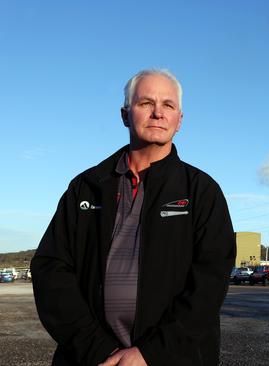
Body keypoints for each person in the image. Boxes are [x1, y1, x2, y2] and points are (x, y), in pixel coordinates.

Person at [31, 69, 236, 366]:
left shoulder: (201, 191)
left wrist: (149, 354)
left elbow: (209, 285)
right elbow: (51, 270)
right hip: (92, 359)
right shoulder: (86, 187)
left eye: (168, 105)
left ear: (180, 120)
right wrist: (98, 350)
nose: (158, 113)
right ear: (125, 115)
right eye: (145, 103)